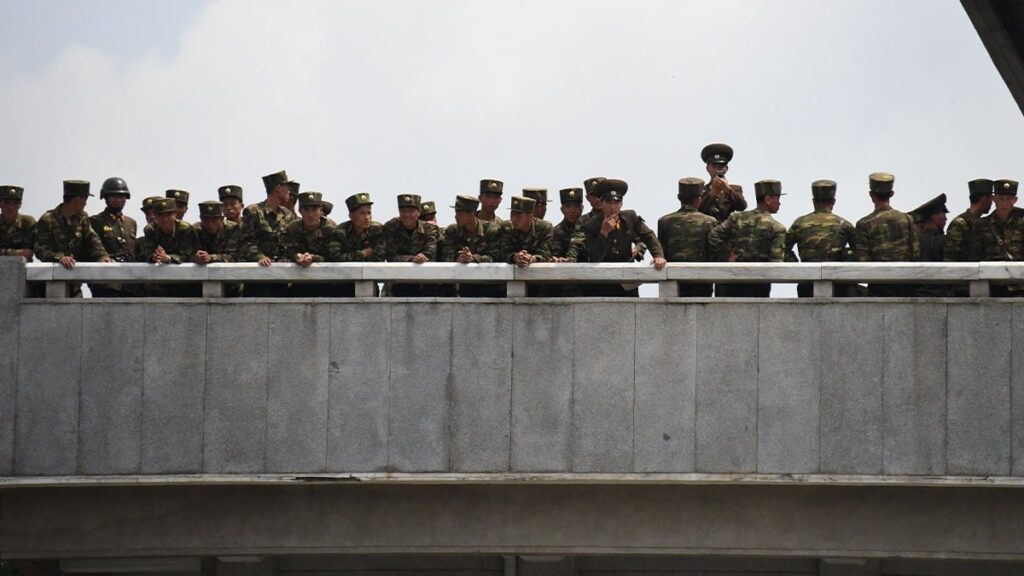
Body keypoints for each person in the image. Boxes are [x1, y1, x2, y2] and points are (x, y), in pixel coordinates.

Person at [568, 178, 666, 297]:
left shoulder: (630, 217)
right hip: (601, 285)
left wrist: (658, 255)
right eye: (609, 202)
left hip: (627, 283)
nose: (612, 207)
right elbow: (594, 258)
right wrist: (604, 233)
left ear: (621, 204)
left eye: (616, 202)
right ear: (602, 203)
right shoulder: (591, 226)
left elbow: (648, 235)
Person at [709, 179, 786, 297]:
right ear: (768, 200)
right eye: (778, 199)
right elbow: (776, 262)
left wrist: (726, 255)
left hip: (729, 281)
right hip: (758, 286)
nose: (780, 203)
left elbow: (714, 236)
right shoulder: (777, 228)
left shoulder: (736, 217)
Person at [34, 180, 112, 297]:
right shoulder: (48, 219)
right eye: (85, 198)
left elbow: (92, 239)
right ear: (77, 199)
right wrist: (59, 258)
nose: (85, 203)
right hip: (52, 280)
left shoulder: (82, 217)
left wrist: (103, 256)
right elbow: (39, 249)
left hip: (74, 280)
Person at [784, 179, 856, 297]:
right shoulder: (845, 225)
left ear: (814, 201)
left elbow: (783, 248)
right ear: (833, 201)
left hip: (807, 281)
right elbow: (859, 252)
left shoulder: (800, 223)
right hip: (837, 282)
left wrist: (798, 267)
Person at [854, 172, 919, 297]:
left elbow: (862, 259)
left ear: (871, 195)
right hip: (905, 283)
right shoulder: (907, 219)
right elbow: (915, 253)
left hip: (879, 285)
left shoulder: (864, 224)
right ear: (892, 194)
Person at [239, 170, 296, 296]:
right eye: (286, 187)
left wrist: (288, 256)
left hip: (282, 276)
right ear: (278, 188)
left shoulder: (287, 214)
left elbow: (292, 242)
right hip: (258, 276)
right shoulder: (253, 211)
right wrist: (259, 257)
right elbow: (245, 241)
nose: (289, 191)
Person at [658, 177, 717, 297]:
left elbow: (661, 249)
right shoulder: (710, 221)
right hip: (701, 282)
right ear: (699, 200)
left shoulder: (664, 221)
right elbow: (714, 249)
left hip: (672, 281)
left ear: (679, 198)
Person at [439, 195, 502, 297]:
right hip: (459, 284)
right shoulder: (452, 231)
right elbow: (446, 257)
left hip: (486, 285)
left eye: (460, 213)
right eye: (456, 212)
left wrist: (473, 258)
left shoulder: (491, 231)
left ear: (472, 214)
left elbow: (495, 258)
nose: (456, 216)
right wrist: (458, 258)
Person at [327, 193, 385, 296]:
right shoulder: (340, 231)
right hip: (343, 282)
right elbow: (335, 258)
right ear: (351, 216)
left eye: (369, 213)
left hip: (370, 281)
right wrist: (362, 254)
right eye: (362, 213)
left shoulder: (377, 230)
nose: (367, 217)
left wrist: (350, 256)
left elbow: (379, 258)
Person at [89, 177, 138, 297]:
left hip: (129, 282)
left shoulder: (131, 223)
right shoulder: (96, 221)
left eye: (121, 197)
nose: (118, 200)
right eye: (113, 196)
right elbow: (91, 248)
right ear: (105, 198)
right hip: (106, 281)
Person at [282, 191, 337, 297]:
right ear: (300, 211)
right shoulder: (293, 228)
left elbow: (334, 256)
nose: (310, 214)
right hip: (300, 281)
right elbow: (288, 250)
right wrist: (297, 256)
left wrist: (314, 258)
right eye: (306, 210)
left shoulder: (331, 229)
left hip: (327, 281)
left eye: (314, 210)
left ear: (320, 210)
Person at [383, 193, 438, 297]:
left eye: (411, 211)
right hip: (398, 283)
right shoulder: (390, 228)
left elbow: (430, 253)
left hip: (424, 282)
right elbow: (390, 256)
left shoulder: (429, 229)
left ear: (418, 213)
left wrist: (421, 258)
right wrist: (410, 259)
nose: (407, 215)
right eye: (404, 211)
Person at [142, 198, 198, 296]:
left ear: (175, 215)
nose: (165, 219)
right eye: (161, 215)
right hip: (159, 280)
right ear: (155, 216)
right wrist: (154, 257)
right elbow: (148, 253)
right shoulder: (150, 229)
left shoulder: (185, 229)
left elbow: (187, 255)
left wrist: (168, 258)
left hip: (184, 280)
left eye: (169, 215)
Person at [980, 179, 1024, 297]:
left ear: (1015, 200)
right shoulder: (983, 224)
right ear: (994, 199)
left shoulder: (1022, 222)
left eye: (1009, 199)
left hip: (1020, 285)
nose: (1004, 203)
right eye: (1001, 199)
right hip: (994, 286)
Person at [194, 200, 242, 297]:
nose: (210, 224)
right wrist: (195, 257)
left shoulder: (232, 229)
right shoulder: (195, 230)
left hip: (231, 280)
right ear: (201, 219)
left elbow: (234, 256)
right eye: (206, 220)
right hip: (200, 281)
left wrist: (211, 258)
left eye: (214, 220)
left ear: (221, 219)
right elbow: (187, 253)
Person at [945, 179, 993, 263]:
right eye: (991, 199)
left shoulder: (983, 223)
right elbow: (950, 257)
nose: (991, 203)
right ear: (985, 199)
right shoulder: (960, 224)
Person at [699, 143, 747, 222]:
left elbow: (742, 206)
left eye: (720, 166)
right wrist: (713, 193)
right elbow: (698, 210)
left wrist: (727, 189)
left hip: (727, 232)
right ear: (707, 168)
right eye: (714, 166)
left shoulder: (735, 189)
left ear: (726, 168)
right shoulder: (701, 190)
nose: (717, 170)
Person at [0, 185, 35, 261]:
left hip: (23, 270)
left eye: (15, 203)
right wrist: (16, 253)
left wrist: (4, 252)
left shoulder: (27, 223)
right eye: (6, 202)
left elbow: (29, 253)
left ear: (20, 205)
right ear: (0, 204)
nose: (10, 207)